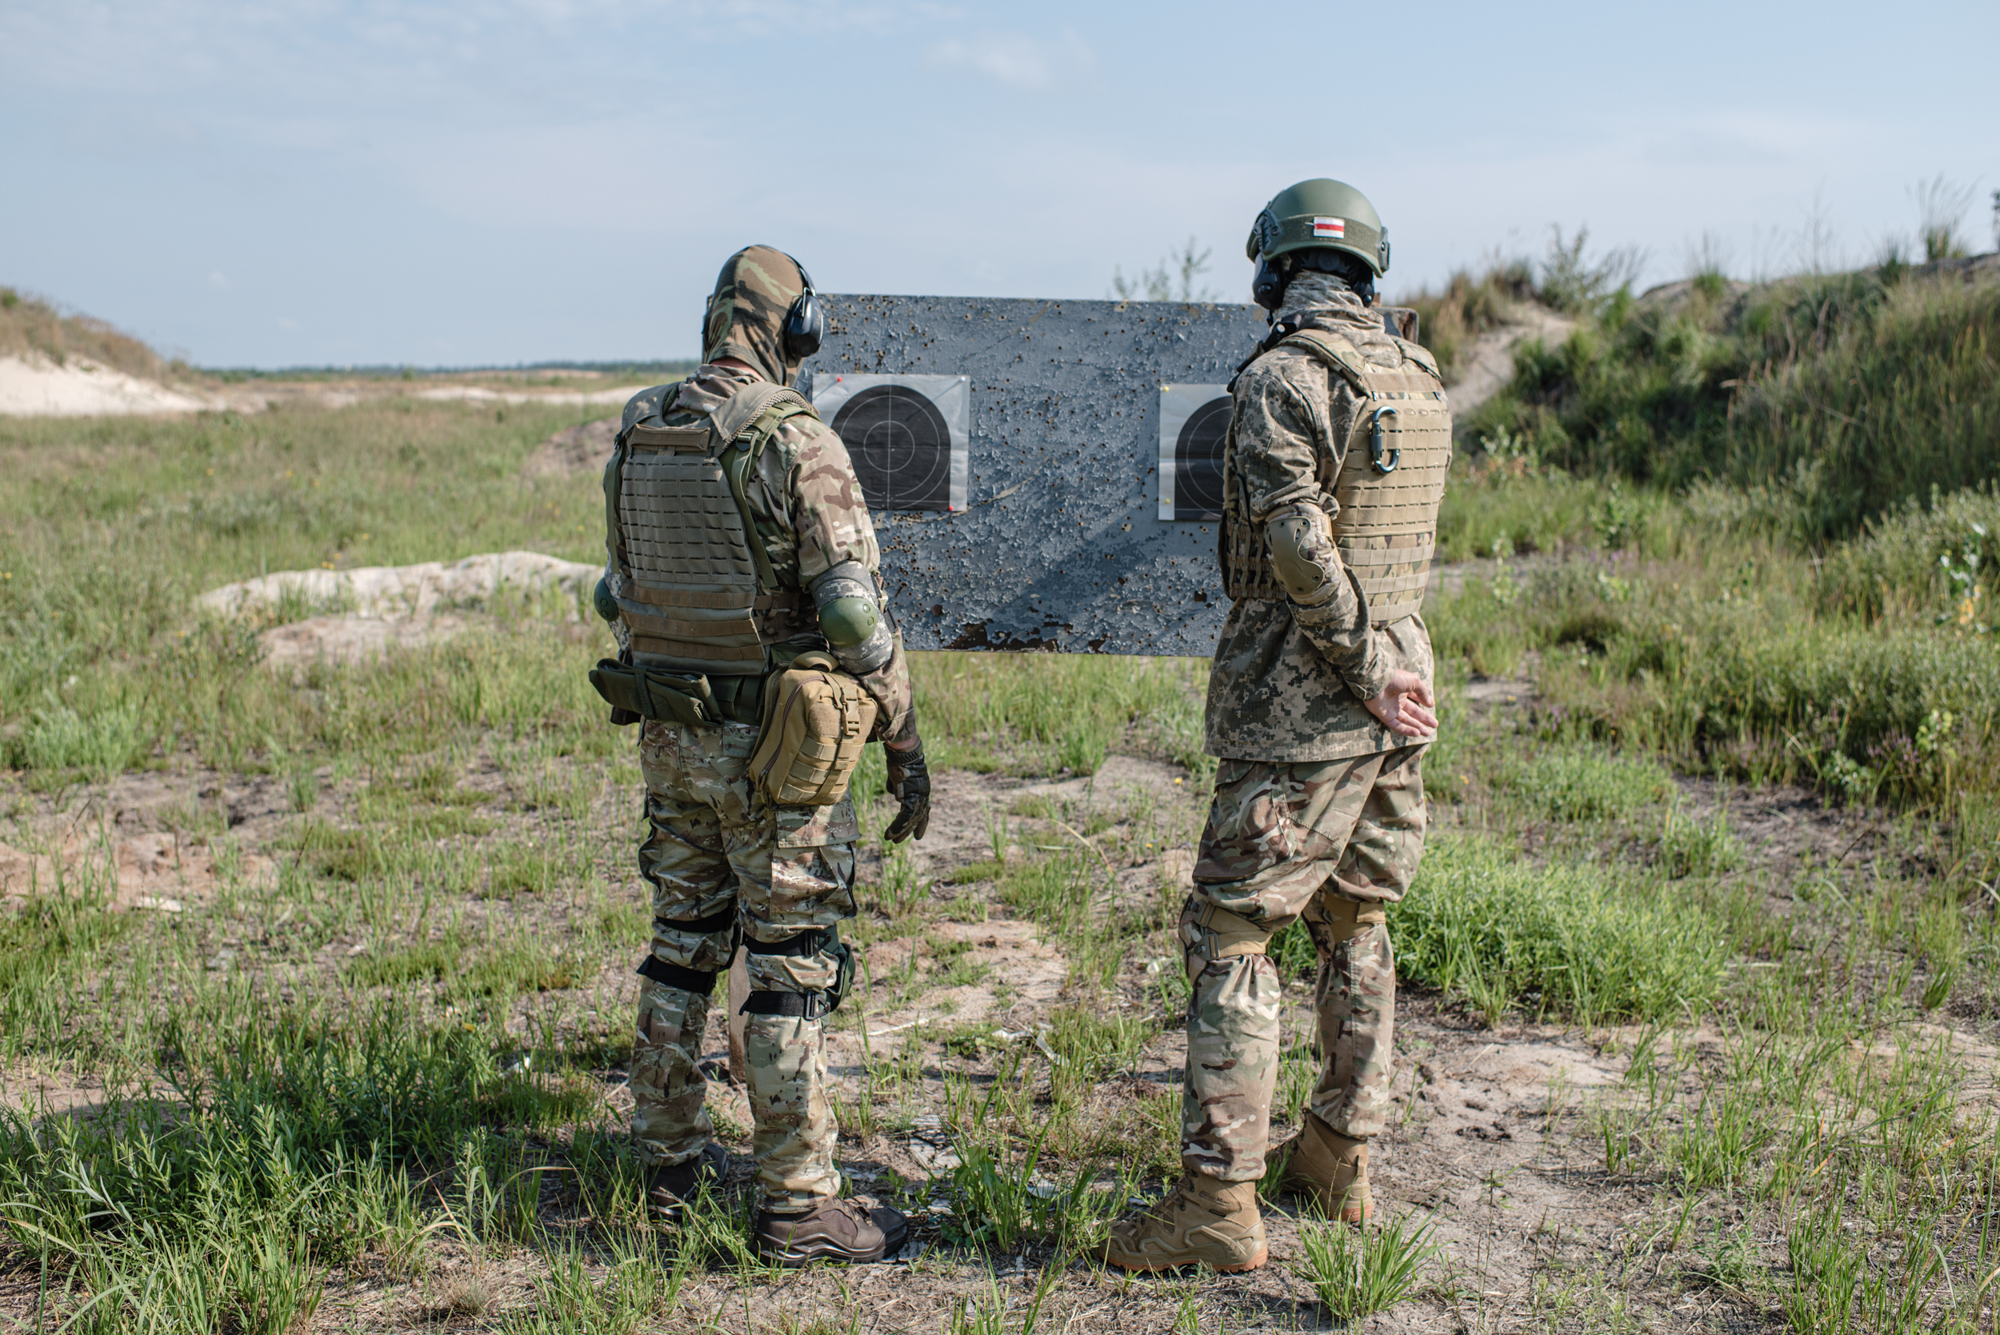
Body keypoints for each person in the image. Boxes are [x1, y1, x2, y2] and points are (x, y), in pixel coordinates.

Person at [1099, 180, 1450, 1273]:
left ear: (1270, 272)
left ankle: (1216, 1207)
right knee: (1355, 921)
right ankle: (1336, 1158)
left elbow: (1299, 547)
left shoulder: (1280, 379)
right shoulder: (1417, 376)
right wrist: (1385, 673)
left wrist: (1351, 668)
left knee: (1235, 933)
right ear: (1366, 273)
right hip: (1401, 682)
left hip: (1305, 703)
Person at [590, 245, 932, 1265]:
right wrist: (904, 731)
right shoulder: (798, 442)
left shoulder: (640, 429)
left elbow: (617, 594)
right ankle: (796, 1204)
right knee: (786, 969)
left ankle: (666, 1169)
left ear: (711, 320)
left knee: (680, 945)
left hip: (670, 734)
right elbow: (850, 610)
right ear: (798, 330)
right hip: (778, 754)